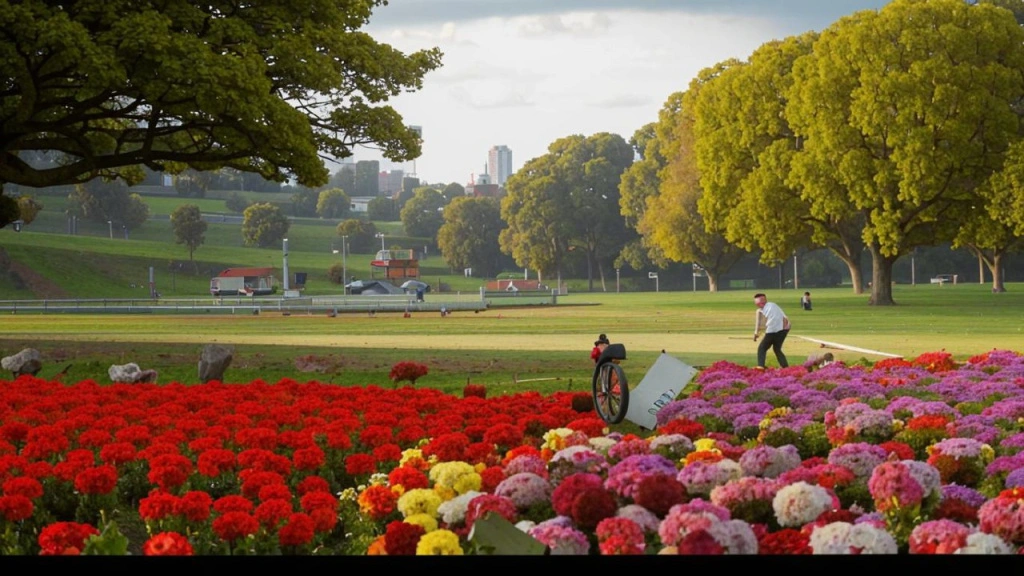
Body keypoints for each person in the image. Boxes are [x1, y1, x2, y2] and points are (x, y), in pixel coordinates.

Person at [753, 293, 791, 368]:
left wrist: (756, 333)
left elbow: (761, 323)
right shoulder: (772, 305)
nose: (759, 305)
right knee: (777, 349)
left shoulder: (765, 309)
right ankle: (785, 367)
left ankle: (760, 366)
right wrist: (756, 333)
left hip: (774, 330)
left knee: (762, 348)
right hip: (785, 329)